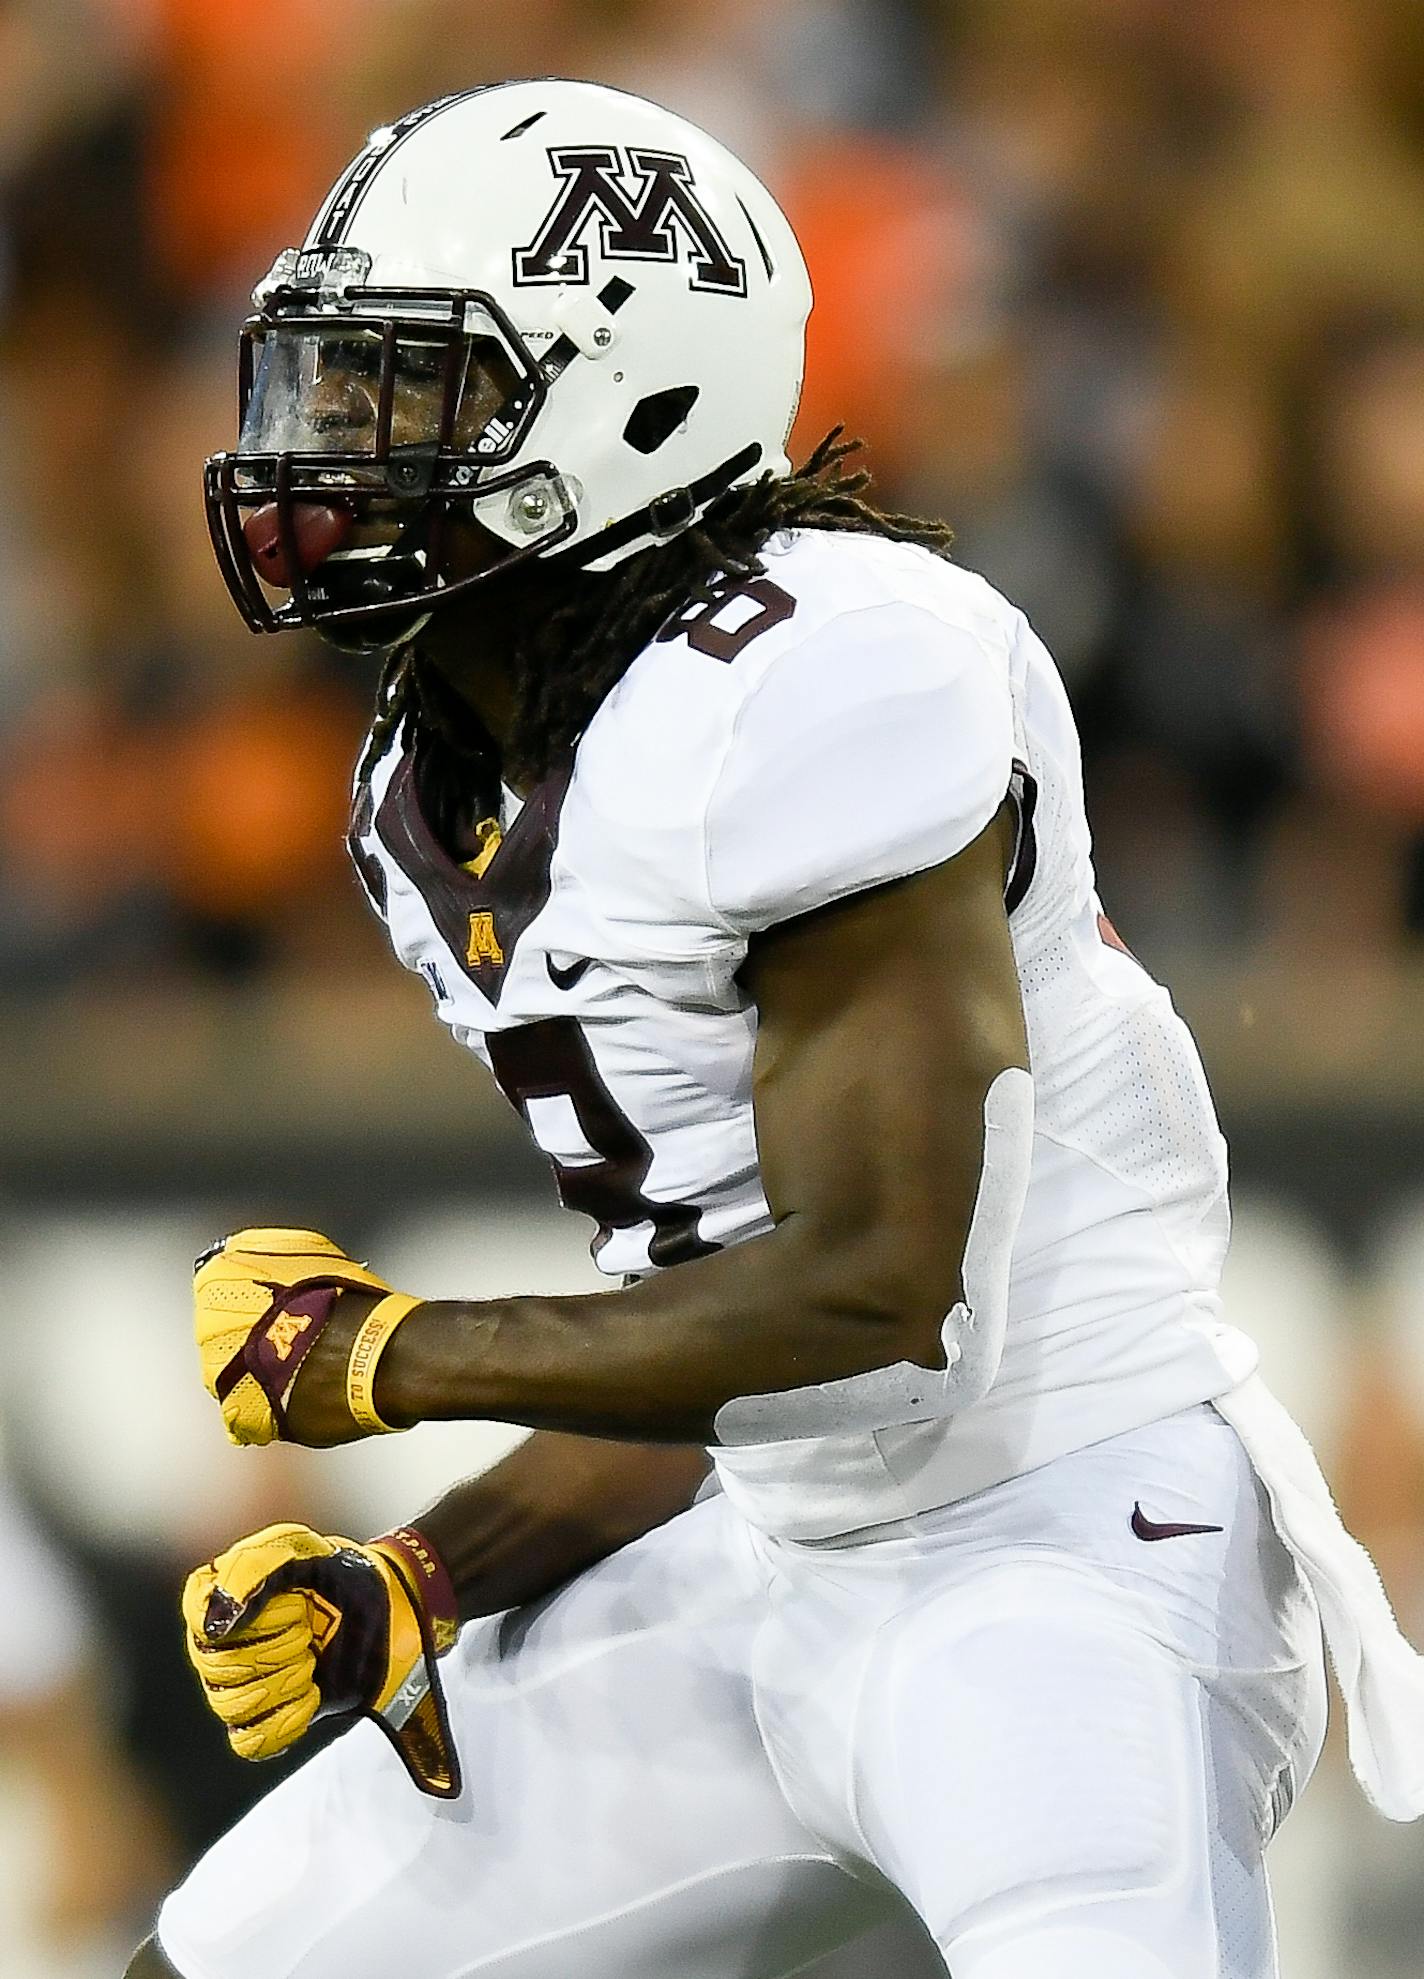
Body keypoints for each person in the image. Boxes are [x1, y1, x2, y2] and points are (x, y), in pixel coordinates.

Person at [129, 79, 1424, 1979]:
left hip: (1059, 1545)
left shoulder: (819, 673)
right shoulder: (444, 768)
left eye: (407, 390)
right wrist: (427, 1572)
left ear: (627, 399)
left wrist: (402, 1356)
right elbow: (717, 1337)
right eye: (324, 383)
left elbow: (881, 1303)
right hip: (775, 1553)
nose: (329, 446)